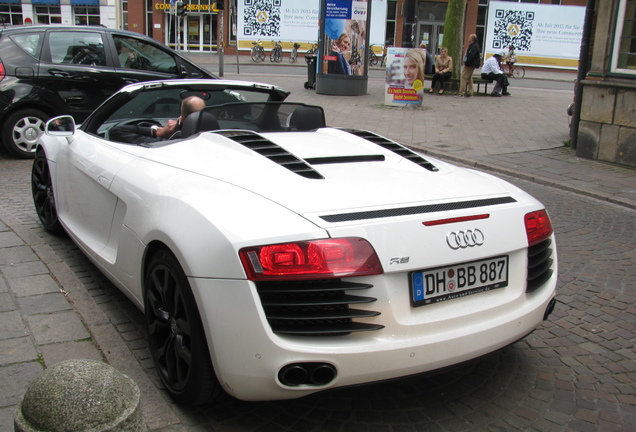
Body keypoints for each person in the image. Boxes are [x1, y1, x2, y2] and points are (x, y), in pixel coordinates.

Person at [110, 96, 206, 144]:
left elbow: (116, 131)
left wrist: (159, 132)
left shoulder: (170, 143)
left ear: (183, 119)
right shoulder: (214, 137)